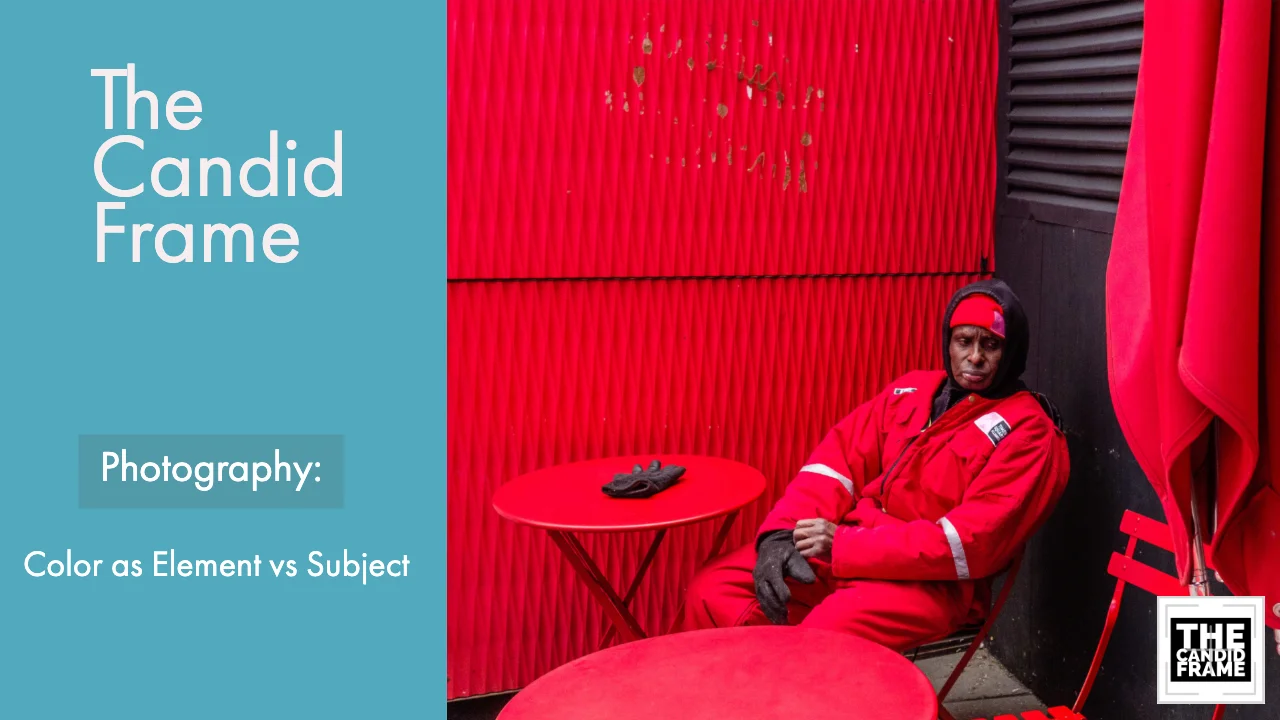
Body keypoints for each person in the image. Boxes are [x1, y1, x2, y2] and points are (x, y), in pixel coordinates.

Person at [679, 279, 1070, 651]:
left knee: (820, 643)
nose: (975, 357)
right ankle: (746, 691)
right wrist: (780, 534)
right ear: (947, 343)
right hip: (847, 549)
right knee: (713, 590)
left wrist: (844, 545)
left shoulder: (1030, 431)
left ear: (1012, 351)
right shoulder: (912, 391)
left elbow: (970, 544)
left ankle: (796, 687)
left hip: (930, 583)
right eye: (964, 341)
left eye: (991, 345)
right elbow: (834, 465)